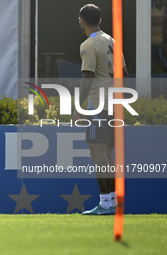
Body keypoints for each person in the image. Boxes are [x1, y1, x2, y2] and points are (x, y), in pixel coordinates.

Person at [73, 4, 128, 215]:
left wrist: (79, 103)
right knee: (106, 153)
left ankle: (105, 204)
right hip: (114, 105)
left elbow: (88, 77)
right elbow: (123, 73)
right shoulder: (113, 41)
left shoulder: (89, 44)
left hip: (98, 107)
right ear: (100, 21)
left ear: (81, 21)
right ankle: (112, 201)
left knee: (97, 155)